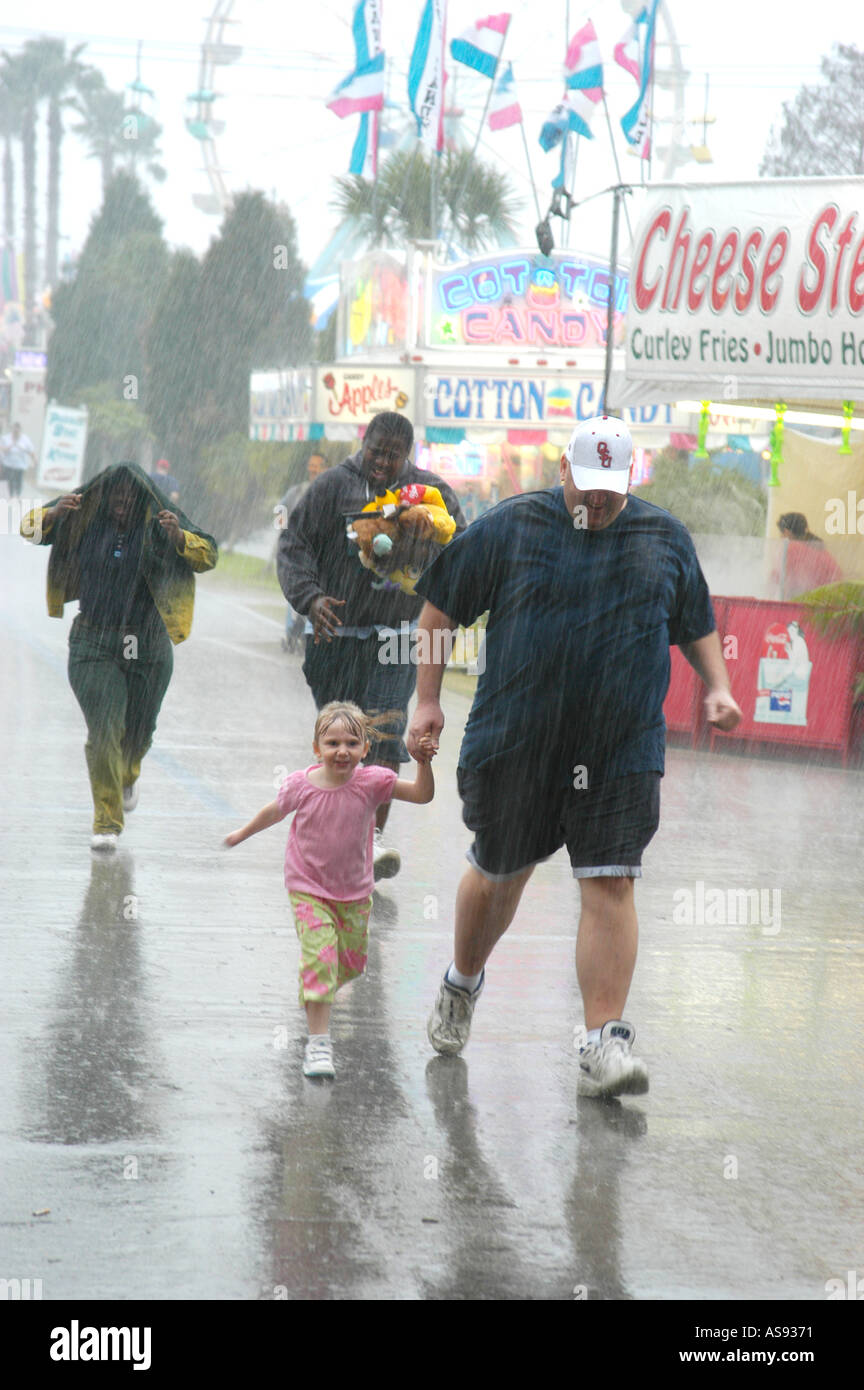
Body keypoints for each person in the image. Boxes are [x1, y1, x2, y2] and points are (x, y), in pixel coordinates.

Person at [407, 415, 742, 1098]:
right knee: (500, 875)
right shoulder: (511, 526)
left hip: (620, 747)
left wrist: (719, 687)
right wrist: (427, 700)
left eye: (609, 489)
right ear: (563, 468)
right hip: (518, 739)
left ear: (630, 477)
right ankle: (462, 982)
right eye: (585, 484)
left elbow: (697, 622)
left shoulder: (663, 538)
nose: (596, 499)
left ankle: (603, 1041)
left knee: (611, 881)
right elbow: (439, 611)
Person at [277, 411, 465, 881]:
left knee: (383, 731)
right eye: (375, 451)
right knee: (343, 740)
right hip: (334, 637)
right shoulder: (332, 487)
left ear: (408, 455)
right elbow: (294, 545)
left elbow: (464, 548)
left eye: (392, 455)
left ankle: (370, 839)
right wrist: (311, 598)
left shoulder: (431, 493)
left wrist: (429, 550)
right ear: (364, 444)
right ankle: (340, 834)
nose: (382, 462)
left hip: (397, 635)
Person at [224, 701, 436, 1078]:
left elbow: (422, 794)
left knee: (351, 965)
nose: (342, 751)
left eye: (352, 743)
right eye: (332, 743)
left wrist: (424, 763)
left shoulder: (373, 782)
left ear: (365, 749)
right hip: (308, 888)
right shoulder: (301, 785)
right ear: (316, 748)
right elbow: (274, 811)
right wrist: (243, 833)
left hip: (354, 891)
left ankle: (315, 987)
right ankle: (318, 1045)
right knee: (321, 962)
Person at [21, 462, 217, 850]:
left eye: (131, 493)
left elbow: (209, 554)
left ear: (143, 497)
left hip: (149, 644)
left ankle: (127, 774)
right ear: (104, 494)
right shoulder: (80, 515)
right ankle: (107, 822)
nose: (123, 499)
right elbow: (28, 529)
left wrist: (179, 537)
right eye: (116, 492)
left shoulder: (161, 523)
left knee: (140, 730)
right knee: (104, 731)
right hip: (93, 642)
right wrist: (54, 514)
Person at [277, 451, 326, 653]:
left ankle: (309, 634)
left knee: (317, 592)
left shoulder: (330, 491)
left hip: (320, 555)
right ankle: (292, 633)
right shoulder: (296, 492)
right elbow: (279, 511)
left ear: (325, 468)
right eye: (311, 465)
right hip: (297, 553)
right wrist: (284, 534)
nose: (313, 469)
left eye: (317, 465)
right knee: (296, 591)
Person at [774, 512, 842, 598]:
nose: (780, 537)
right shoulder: (821, 550)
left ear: (786, 532)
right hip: (826, 599)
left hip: (804, 601)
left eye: (781, 533)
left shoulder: (790, 548)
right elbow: (838, 577)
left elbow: (780, 580)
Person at [1, 421, 36, 497]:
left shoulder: (25, 439)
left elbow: (31, 451)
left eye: (17, 430)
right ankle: (11, 495)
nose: (16, 432)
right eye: (14, 430)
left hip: (20, 464)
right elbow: (2, 448)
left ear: (20, 430)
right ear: (12, 429)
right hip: (9, 464)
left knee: (18, 480)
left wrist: (34, 461)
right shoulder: (6, 438)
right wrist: (10, 446)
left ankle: (18, 494)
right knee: (10, 479)